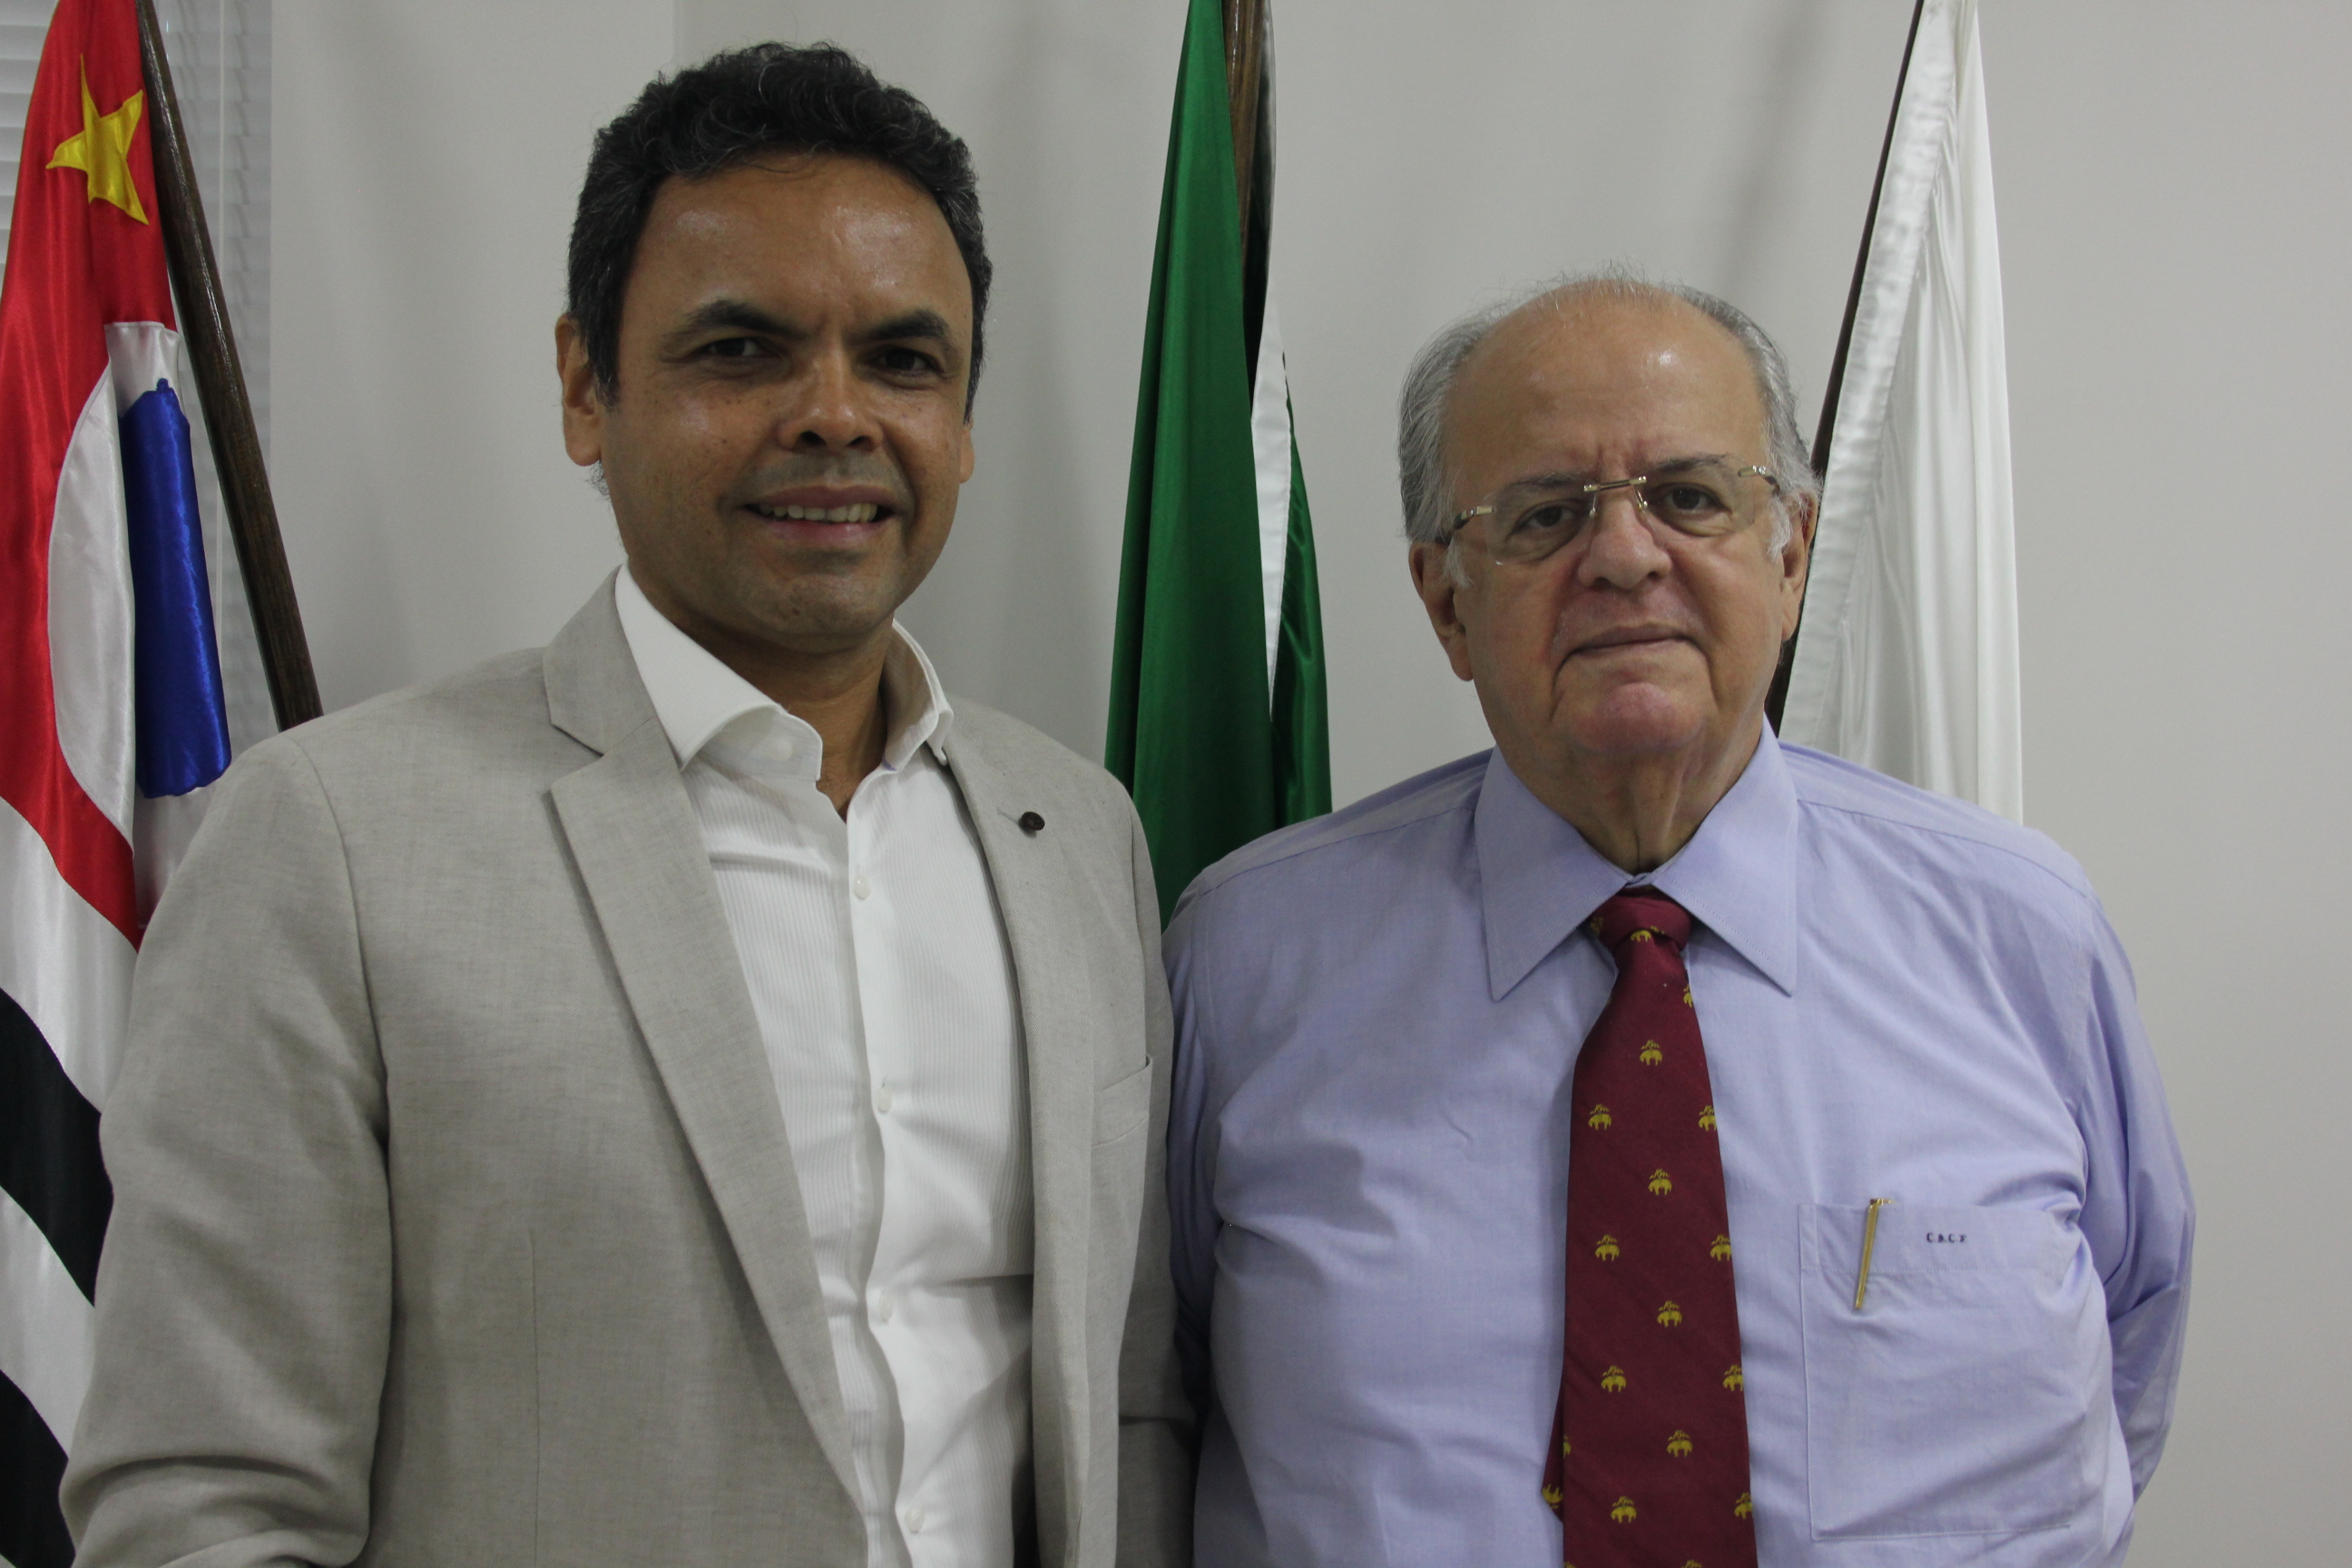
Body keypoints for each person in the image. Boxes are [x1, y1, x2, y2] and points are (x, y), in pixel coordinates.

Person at [64, 44, 1191, 1568]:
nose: (835, 415)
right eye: (742, 351)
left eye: (903, 361)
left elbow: (1127, 1411)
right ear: (587, 388)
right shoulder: (332, 842)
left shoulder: (1079, 836)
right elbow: (204, 1502)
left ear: (964, 416)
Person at [1162, 275, 2190, 1567]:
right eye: (1544, 514)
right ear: (1446, 602)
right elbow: (1151, 1403)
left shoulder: (2023, 932)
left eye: (1692, 496)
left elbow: (2129, 1356)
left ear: (1792, 556)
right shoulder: (1247, 961)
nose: (1625, 555)